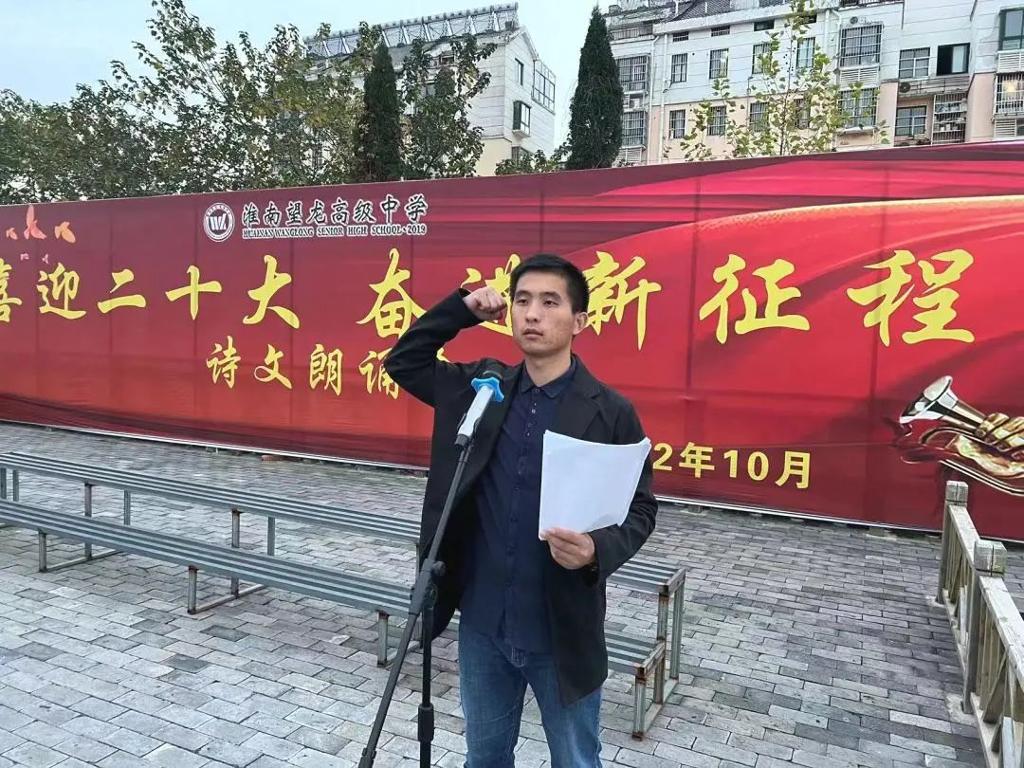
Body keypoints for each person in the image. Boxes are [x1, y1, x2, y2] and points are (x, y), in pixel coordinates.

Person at [383, 253, 658, 767]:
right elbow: (404, 362)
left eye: (550, 302)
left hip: (562, 629)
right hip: (483, 624)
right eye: (522, 301)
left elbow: (641, 509)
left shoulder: (610, 411)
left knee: (575, 759)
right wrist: (460, 311)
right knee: (485, 757)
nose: (532, 314)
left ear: (579, 321)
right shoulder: (482, 391)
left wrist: (595, 550)